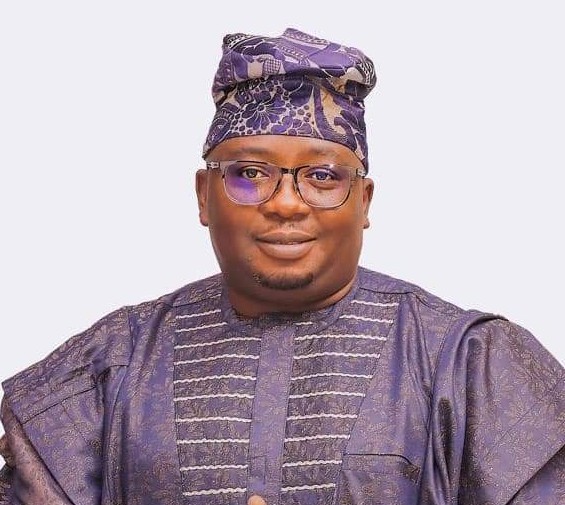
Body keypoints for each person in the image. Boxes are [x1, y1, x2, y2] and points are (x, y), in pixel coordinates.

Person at [0, 27, 563, 505]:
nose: (287, 204)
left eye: (322, 177)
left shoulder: (470, 365)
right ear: (204, 196)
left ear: (364, 201)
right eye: (249, 174)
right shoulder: (111, 365)